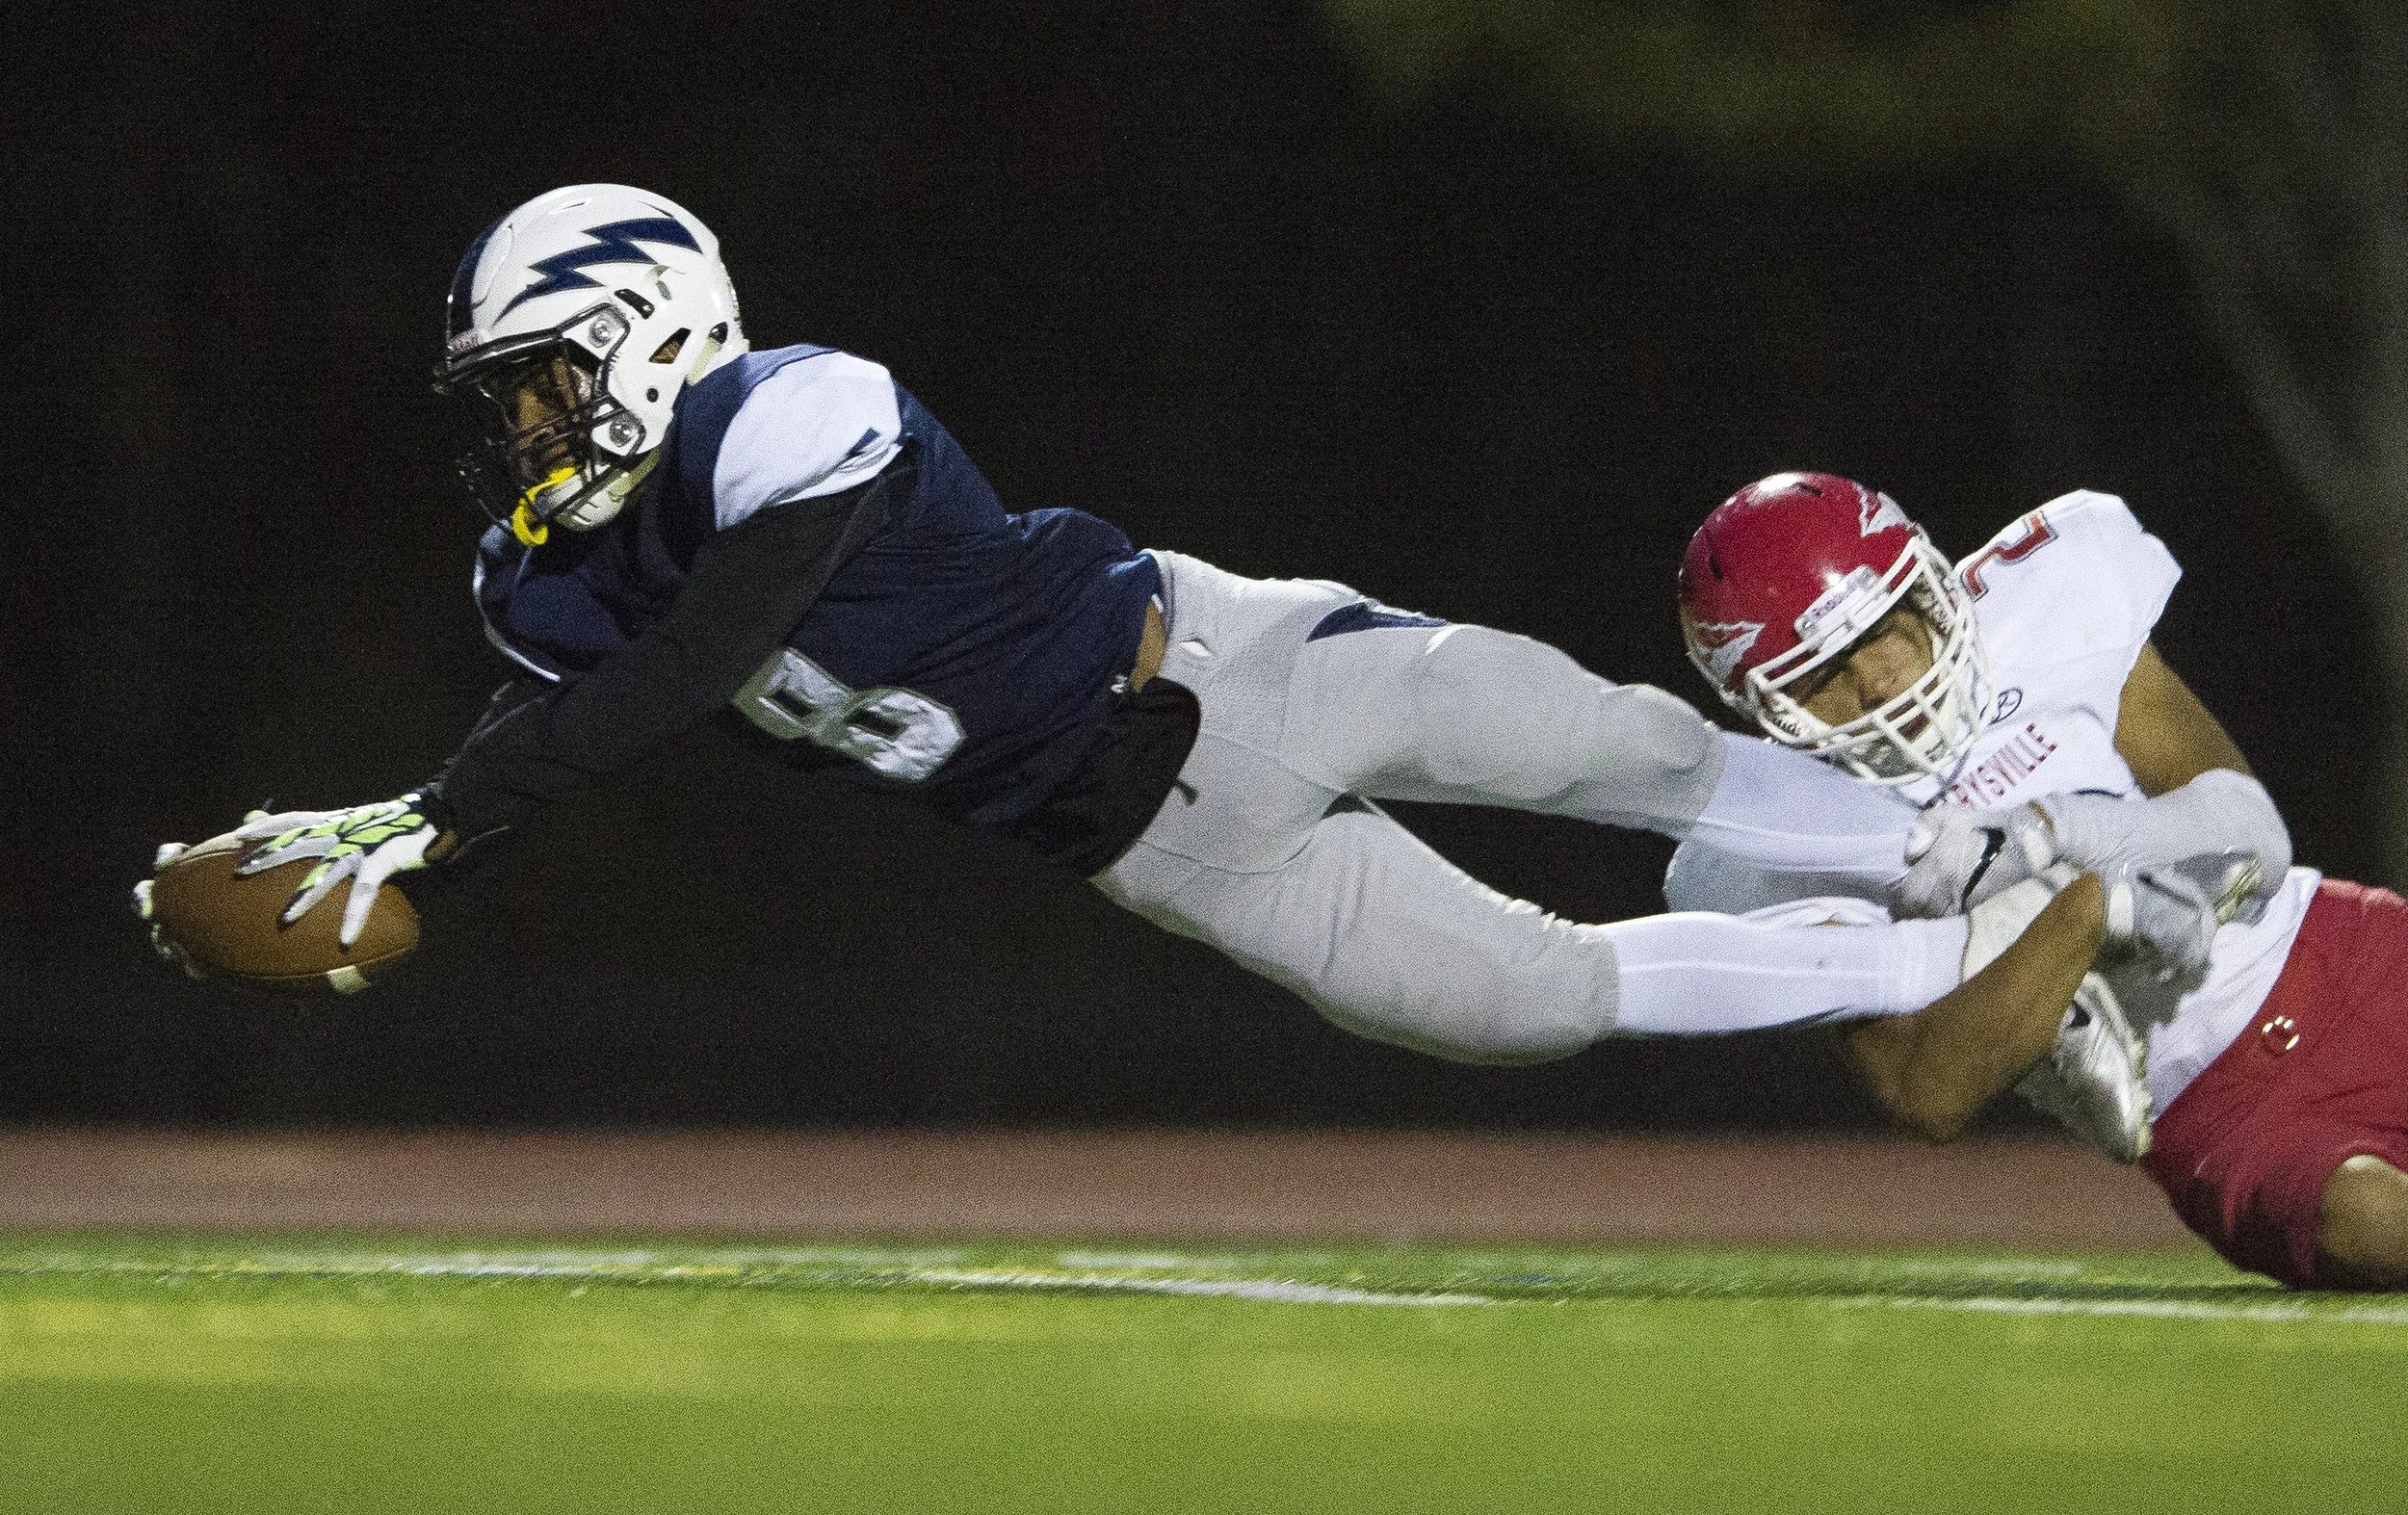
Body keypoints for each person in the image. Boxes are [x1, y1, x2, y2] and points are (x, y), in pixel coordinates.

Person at [134, 185, 2201, 1070]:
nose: (517, 427)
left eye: (532, 378)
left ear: (645, 331)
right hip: (1142, 836)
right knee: (1518, 1004)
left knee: (1587, 741)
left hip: (1223, 655)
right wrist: (422, 842)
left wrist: (435, 811)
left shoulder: (794, 408)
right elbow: (597, 717)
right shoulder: (541, 579)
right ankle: (1990, 947)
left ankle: (1990, 832)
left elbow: (694, 669)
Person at [1670, 471, 2408, 1291]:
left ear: (1925, 587)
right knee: (2376, 1228)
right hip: (2225, 1115)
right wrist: (2083, 910)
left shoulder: (2050, 600)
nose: (1876, 681)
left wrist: (2051, 838)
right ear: (1763, 708)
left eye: (1881, 630)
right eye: (1822, 676)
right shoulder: (1770, 841)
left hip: (2344, 958)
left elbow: (2241, 831)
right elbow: (1929, 1089)